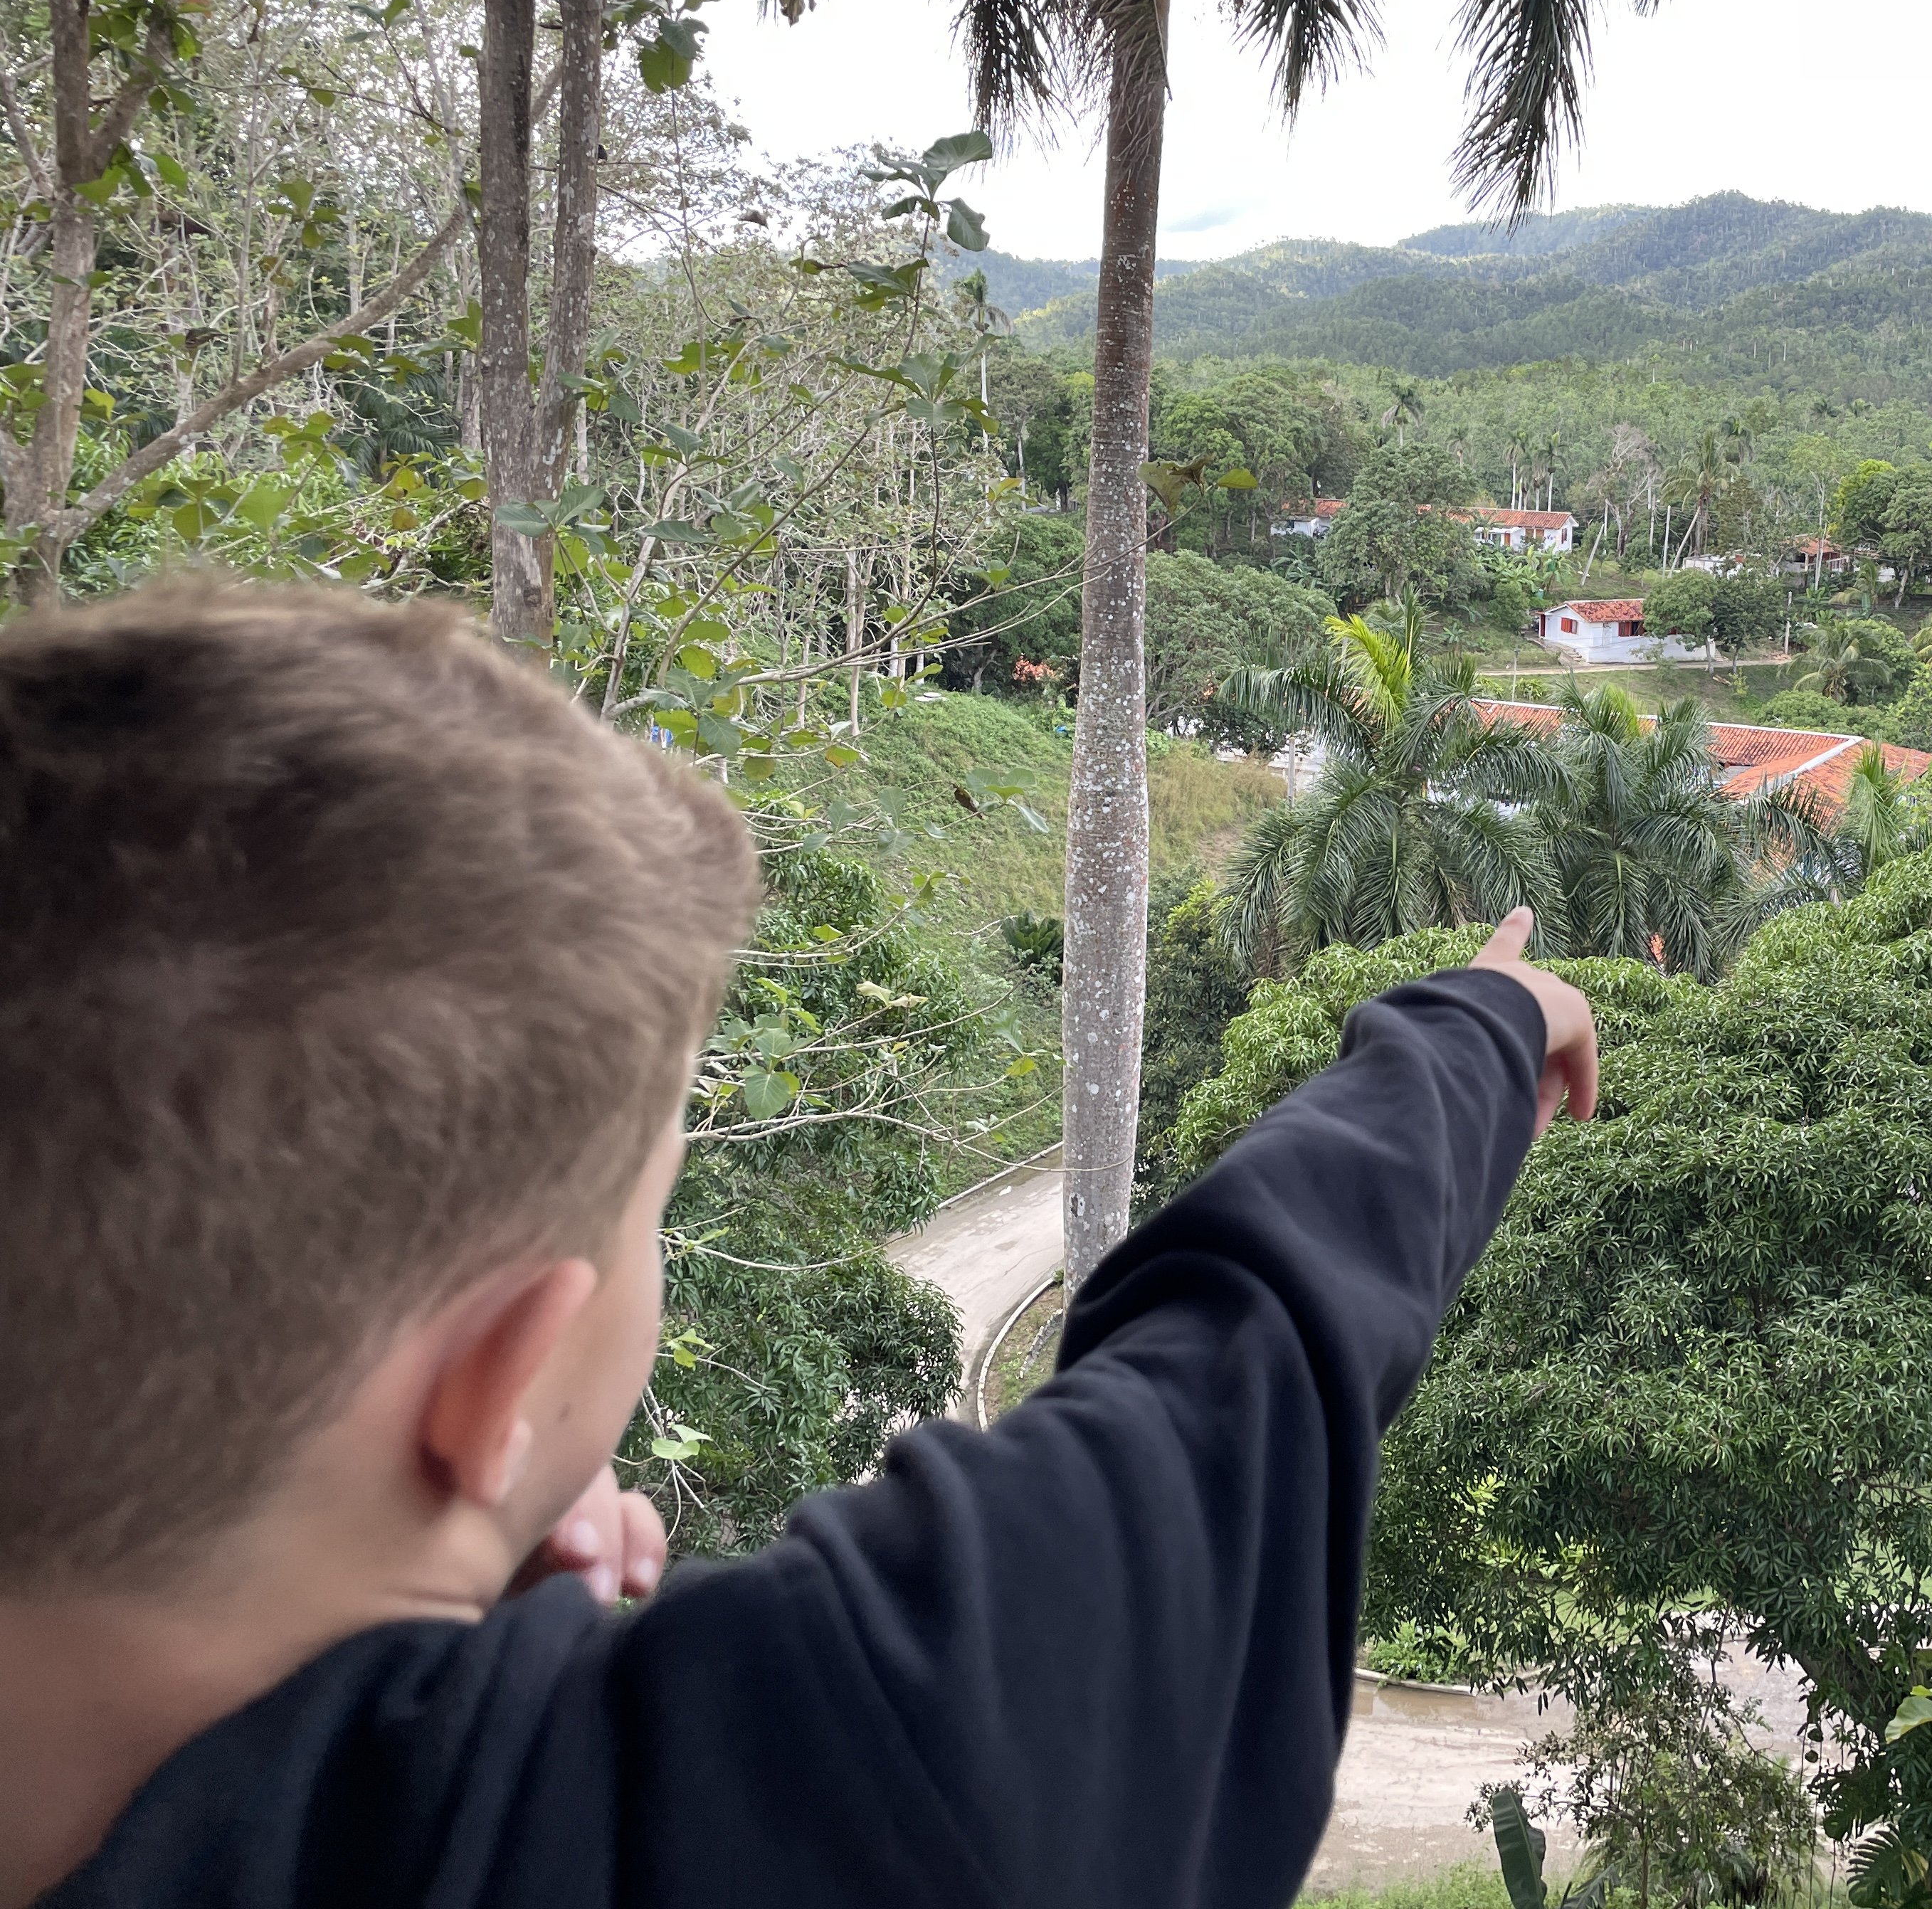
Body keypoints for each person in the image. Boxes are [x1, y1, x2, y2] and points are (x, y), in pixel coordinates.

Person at [0, 578, 1598, 1909]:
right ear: (500, 1380)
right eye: (649, 1211)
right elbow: (1232, 1383)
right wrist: (1482, 1027)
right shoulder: (796, 1803)